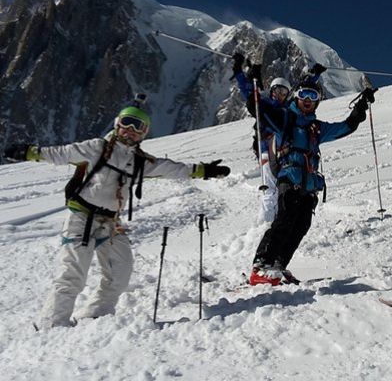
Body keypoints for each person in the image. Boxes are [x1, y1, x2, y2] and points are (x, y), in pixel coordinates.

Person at [3, 96, 231, 328]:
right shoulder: (96, 148)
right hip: (81, 218)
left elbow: (170, 168)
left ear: (144, 133)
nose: (131, 130)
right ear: (117, 124)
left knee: (120, 272)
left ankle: (95, 316)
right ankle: (51, 324)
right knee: (72, 274)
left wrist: (202, 170)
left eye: (138, 126)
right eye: (127, 122)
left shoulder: (139, 161)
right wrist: (30, 152)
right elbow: (62, 153)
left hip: (110, 222)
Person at [244, 69, 375, 285]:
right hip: (289, 181)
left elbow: (345, 127)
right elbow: (257, 109)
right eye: (304, 94)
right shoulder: (286, 119)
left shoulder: (316, 128)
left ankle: (278, 265)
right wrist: (253, 87)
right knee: (284, 221)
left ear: (318, 102)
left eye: (313, 96)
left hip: (308, 186)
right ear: (296, 96)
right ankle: (260, 266)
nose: (307, 100)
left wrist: (361, 105)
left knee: (301, 225)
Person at [232, 52, 327, 225]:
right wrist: (239, 71)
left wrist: (315, 75)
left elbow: (304, 90)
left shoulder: (288, 109)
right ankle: (266, 224)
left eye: (284, 91)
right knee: (269, 189)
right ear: (272, 90)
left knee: (283, 188)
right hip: (266, 149)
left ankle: (281, 220)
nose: (280, 94)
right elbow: (248, 92)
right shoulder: (266, 104)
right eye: (277, 90)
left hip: (281, 154)